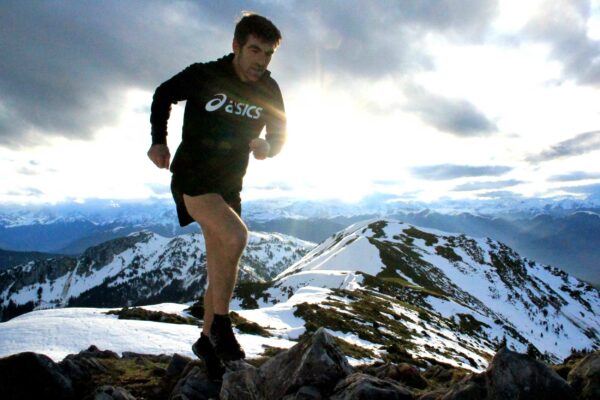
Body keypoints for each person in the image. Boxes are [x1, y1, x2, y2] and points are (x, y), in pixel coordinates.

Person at [147, 12, 286, 374]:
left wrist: (267, 147)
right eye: (255, 50)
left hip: (230, 185)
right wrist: (158, 141)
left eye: (268, 54)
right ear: (236, 46)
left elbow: (281, 132)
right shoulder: (205, 75)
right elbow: (163, 94)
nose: (261, 61)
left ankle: (207, 339)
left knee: (222, 260)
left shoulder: (269, 89)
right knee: (237, 236)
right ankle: (223, 326)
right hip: (193, 178)